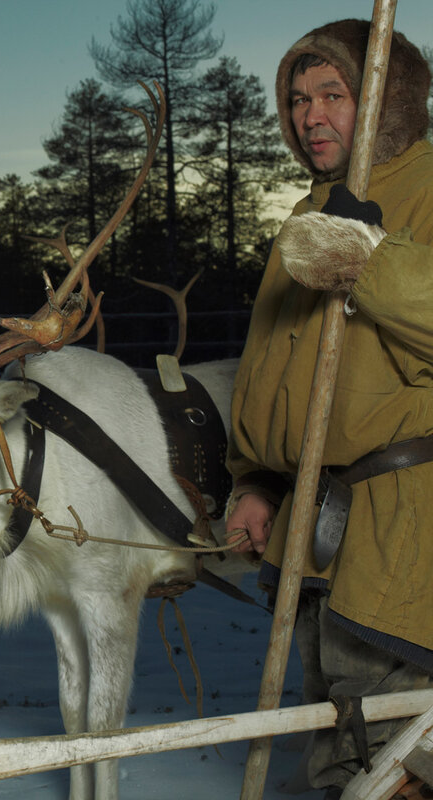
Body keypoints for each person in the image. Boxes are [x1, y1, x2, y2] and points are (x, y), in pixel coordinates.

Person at [225, 19, 433, 799]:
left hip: (406, 530)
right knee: (337, 755)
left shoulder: (428, 188)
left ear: (391, 98)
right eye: (297, 98)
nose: (310, 115)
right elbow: (276, 373)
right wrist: (258, 483)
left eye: (333, 95)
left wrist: (373, 261)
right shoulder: (309, 214)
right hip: (316, 534)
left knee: (398, 762)